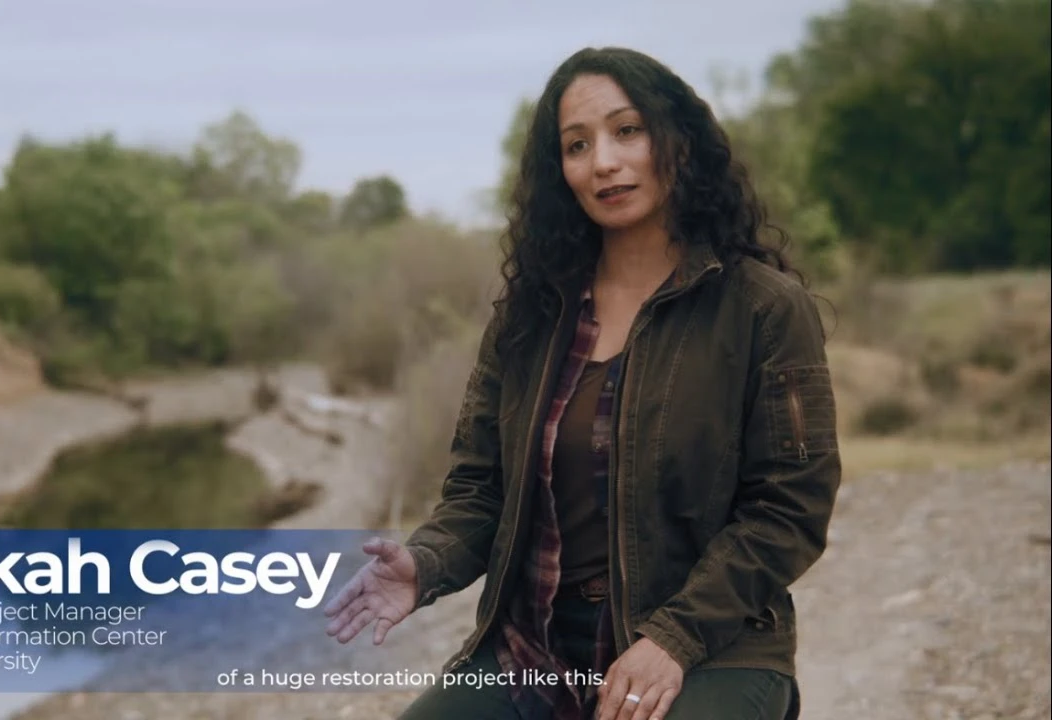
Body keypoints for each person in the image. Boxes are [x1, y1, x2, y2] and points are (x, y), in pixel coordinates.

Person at [323, 46, 841, 720]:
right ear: (559, 170)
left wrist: (673, 639)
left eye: (628, 130)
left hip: (714, 645)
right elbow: (482, 490)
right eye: (577, 145)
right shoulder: (531, 317)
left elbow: (788, 510)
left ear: (677, 138)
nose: (603, 161)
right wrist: (425, 563)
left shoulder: (763, 308)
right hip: (532, 649)